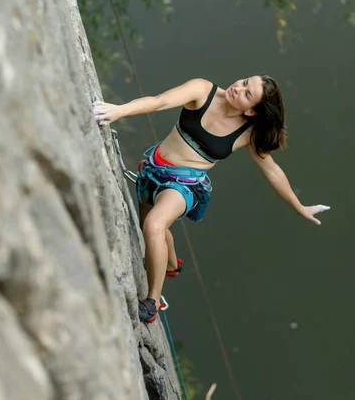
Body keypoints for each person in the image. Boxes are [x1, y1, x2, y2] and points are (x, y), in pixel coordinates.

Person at [93, 76, 330, 323]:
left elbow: (272, 171)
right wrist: (119, 111)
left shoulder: (246, 134)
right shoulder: (202, 91)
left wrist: (299, 206)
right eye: (245, 82)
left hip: (185, 185)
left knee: (154, 225)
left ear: (250, 110)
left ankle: (152, 302)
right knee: (151, 228)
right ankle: (172, 265)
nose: (238, 88)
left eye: (247, 94)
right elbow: (159, 101)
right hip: (154, 169)